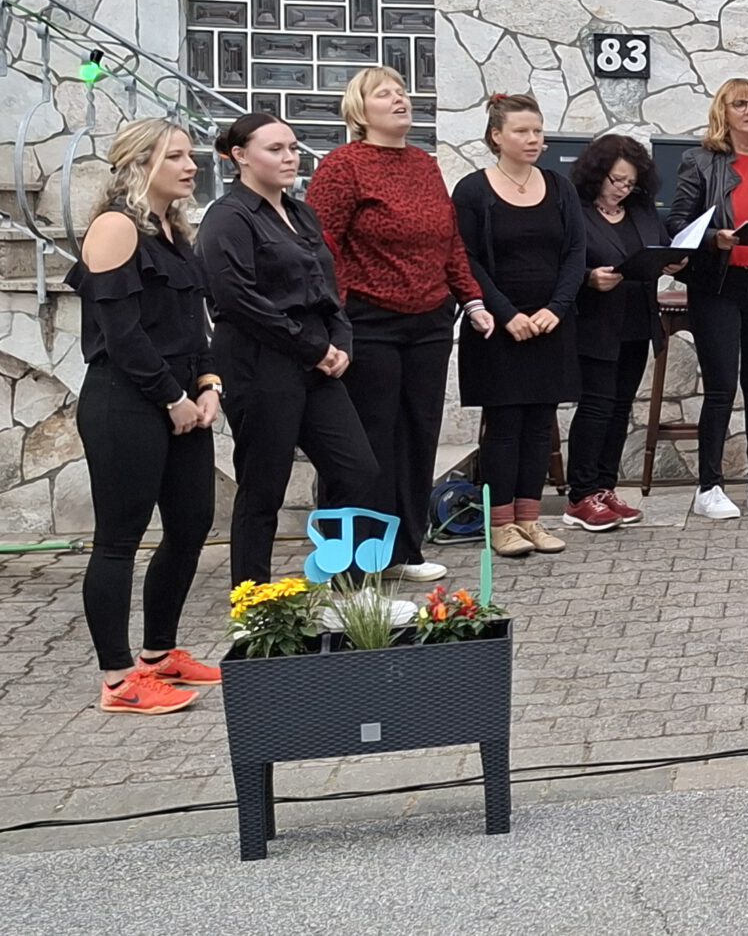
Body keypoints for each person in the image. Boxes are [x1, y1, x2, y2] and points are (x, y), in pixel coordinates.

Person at [306, 67, 494, 582]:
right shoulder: (343, 166)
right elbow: (321, 246)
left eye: (402, 92)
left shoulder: (424, 165)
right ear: (359, 110)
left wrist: (472, 299)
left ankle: (404, 550)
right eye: (384, 94)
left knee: (417, 434)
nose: (399, 100)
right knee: (368, 441)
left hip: (429, 320)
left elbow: (449, 241)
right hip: (368, 320)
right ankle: (353, 558)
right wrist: (334, 314)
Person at [197, 112, 387, 588]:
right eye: (275, 149)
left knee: (357, 470)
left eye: (294, 147)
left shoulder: (301, 213)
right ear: (240, 156)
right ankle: (253, 600)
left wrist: (340, 341)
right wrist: (312, 347)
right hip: (260, 362)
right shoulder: (228, 216)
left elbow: (327, 286)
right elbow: (236, 299)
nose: (290, 157)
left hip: (316, 361)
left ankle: (348, 582)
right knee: (264, 486)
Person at [72, 120, 222, 715]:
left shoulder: (174, 230)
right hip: (125, 400)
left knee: (191, 523)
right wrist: (171, 397)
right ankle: (118, 679)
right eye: (176, 157)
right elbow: (122, 334)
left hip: (181, 397)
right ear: (140, 164)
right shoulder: (115, 227)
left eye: (190, 155)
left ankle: (159, 653)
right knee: (119, 539)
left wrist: (208, 386)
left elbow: (195, 325)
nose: (191, 166)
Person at [453, 95, 585, 558]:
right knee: (505, 427)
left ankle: (530, 519)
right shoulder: (473, 190)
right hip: (497, 326)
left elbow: (575, 252)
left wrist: (558, 308)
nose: (533, 140)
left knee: (539, 425)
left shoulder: (560, 187)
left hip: (550, 324)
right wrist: (507, 313)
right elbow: (465, 258)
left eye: (538, 131)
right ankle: (501, 523)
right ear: (496, 136)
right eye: (522, 131)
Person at [670, 78, 748, 519]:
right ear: (722, 112)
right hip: (718, 286)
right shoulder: (700, 162)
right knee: (721, 386)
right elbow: (678, 223)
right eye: (739, 103)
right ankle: (709, 487)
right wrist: (715, 238)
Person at [562, 133, 670, 532]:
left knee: (621, 406)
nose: (623, 189)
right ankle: (580, 495)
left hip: (637, 319)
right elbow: (561, 262)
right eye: (617, 180)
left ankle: (605, 488)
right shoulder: (574, 208)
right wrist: (589, 278)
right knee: (596, 406)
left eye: (631, 182)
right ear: (597, 174)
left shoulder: (641, 208)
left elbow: (661, 244)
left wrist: (673, 259)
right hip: (594, 321)